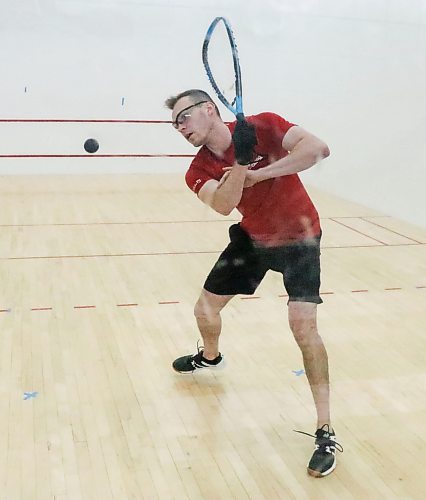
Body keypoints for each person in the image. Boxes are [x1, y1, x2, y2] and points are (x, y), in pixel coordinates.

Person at [164, 89, 342, 477]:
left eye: (183, 118)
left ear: (209, 109)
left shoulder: (265, 125)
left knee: (303, 326)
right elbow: (224, 204)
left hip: (300, 234)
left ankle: (325, 430)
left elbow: (317, 150)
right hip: (253, 237)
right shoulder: (197, 169)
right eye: (174, 124)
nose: (179, 128)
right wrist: (243, 163)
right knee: (204, 309)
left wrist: (259, 171)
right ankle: (210, 358)